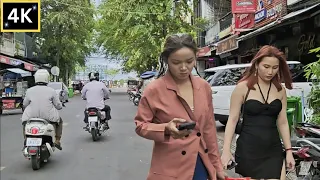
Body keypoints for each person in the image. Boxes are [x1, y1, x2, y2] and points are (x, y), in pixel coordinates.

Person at [134, 33, 225, 180]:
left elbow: (209, 129)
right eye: (176, 62)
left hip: (200, 162)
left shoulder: (204, 87)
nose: (183, 68)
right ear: (166, 61)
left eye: (189, 61)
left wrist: (217, 165)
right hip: (170, 167)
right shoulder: (154, 89)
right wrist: (165, 128)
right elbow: (140, 125)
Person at [221, 45, 295, 179]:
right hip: (249, 149)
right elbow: (232, 120)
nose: (270, 72)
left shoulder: (280, 90)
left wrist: (289, 151)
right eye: (266, 67)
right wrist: (226, 151)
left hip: (273, 148)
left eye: (275, 67)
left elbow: (283, 122)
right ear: (256, 65)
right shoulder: (243, 87)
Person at [21, 69, 63, 150]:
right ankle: (57, 140)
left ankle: (26, 139)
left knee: (24, 123)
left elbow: (25, 104)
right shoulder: (51, 91)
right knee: (60, 121)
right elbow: (58, 106)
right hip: (48, 118)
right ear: (47, 78)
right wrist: (60, 105)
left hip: (31, 117)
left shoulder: (29, 91)